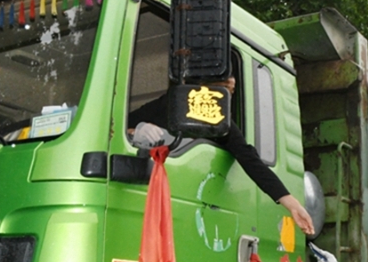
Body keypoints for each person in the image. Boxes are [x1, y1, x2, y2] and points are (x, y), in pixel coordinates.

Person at [127, 77, 315, 236]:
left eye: (231, 93)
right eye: (224, 90)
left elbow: (250, 159)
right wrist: (136, 130)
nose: (227, 98)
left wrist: (292, 204)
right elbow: (118, 123)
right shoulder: (169, 104)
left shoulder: (222, 123)